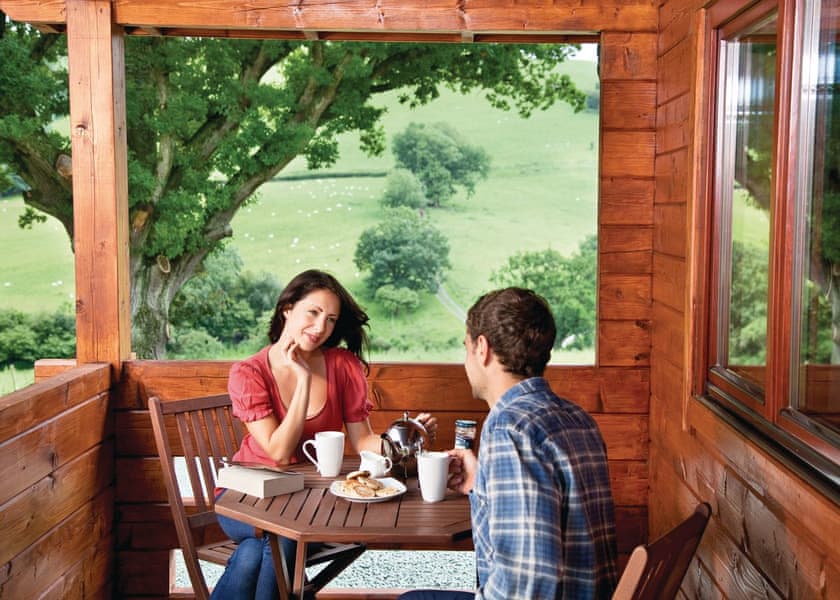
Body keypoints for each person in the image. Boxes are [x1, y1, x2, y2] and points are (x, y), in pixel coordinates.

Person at [212, 269, 437, 600]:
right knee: (283, 537)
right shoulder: (249, 372)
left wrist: (405, 437)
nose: (320, 327)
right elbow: (278, 452)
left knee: (252, 554)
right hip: (245, 498)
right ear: (287, 309)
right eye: (313, 313)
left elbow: (363, 441)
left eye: (330, 319)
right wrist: (303, 380)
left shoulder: (342, 366)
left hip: (310, 501)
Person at [401, 287, 618, 600]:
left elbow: (528, 582)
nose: (466, 362)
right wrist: (480, 483)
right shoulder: (577, 418)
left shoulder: (509, 428)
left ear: (482, 348)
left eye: (465, 348)